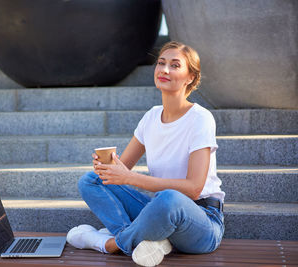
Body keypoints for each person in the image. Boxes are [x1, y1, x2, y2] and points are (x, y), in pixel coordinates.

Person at [66, 41, 225, 267]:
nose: (164, 70)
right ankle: (144, 240)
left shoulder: (200, 118)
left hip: (202, 221)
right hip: (161, 210)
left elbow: (194, 188)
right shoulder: (151, 117)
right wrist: (107, 167)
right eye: (161, 63)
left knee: (169, 198)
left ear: (190, 77)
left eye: (175, 65)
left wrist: (130, 178)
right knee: (91, 180)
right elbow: (122, 169)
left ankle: (109, 244)